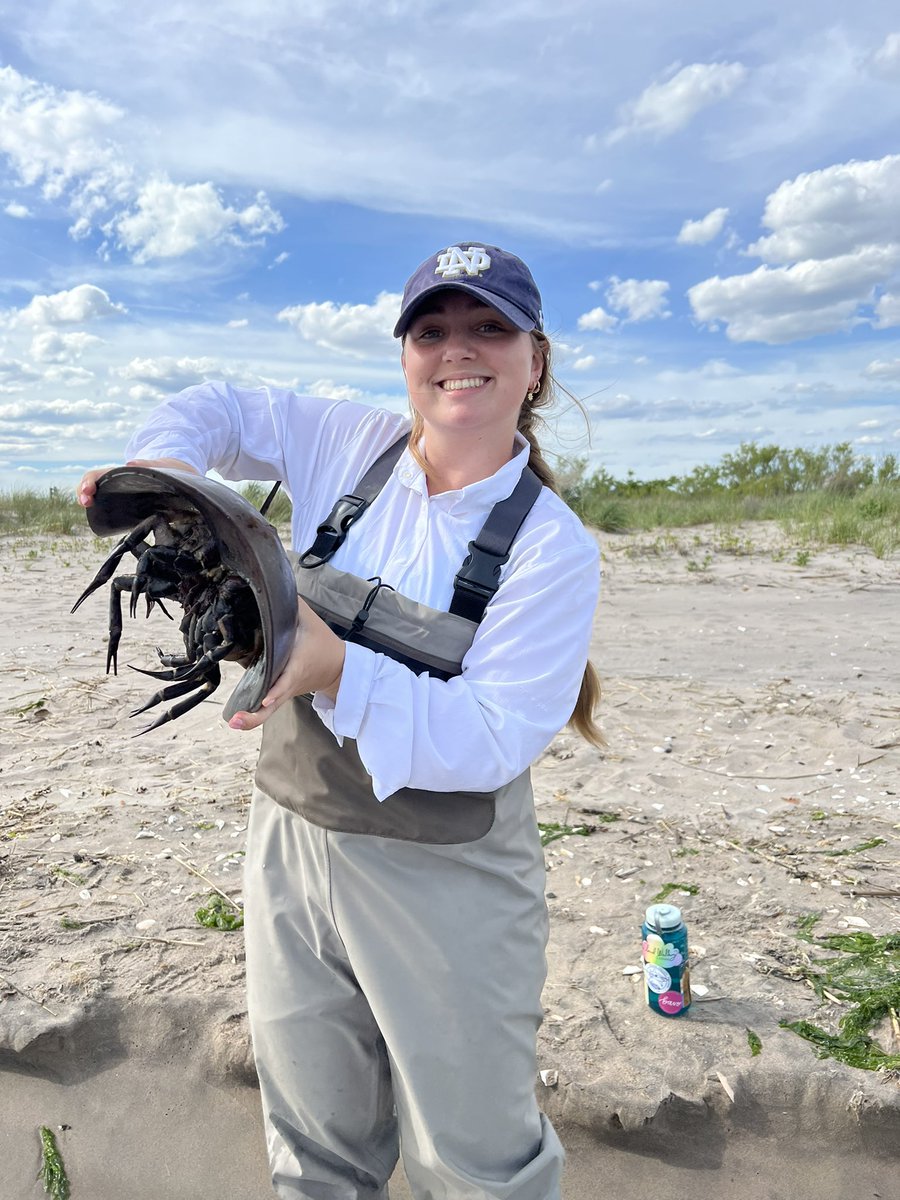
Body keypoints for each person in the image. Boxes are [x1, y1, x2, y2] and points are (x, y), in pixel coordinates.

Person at [78, 243, 602, 1200]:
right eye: (432, 330)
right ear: (405, 356)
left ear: (536, 360)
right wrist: (161, 468)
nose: (458, 350)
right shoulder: (350, 445)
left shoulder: (550, 546)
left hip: (448, 878)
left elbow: (491, 737)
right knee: (314, 1141)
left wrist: (332, 668)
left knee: (475, 1161)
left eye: (489, 328)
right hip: (290, 839)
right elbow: (220, 409)